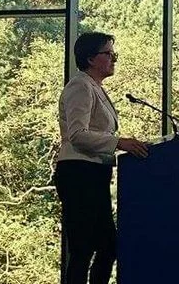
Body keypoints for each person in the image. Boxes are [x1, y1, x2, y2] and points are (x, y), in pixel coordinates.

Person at [55, 31, 149, 284]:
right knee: (84, 248)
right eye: (108, 54)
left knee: (107, 246)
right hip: (79, 172)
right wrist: (119, 142)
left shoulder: (95, 87)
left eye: (113, 54)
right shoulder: (80, 86)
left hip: (94, 172)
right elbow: (77, 134)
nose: (114, 59)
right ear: (90, 58)